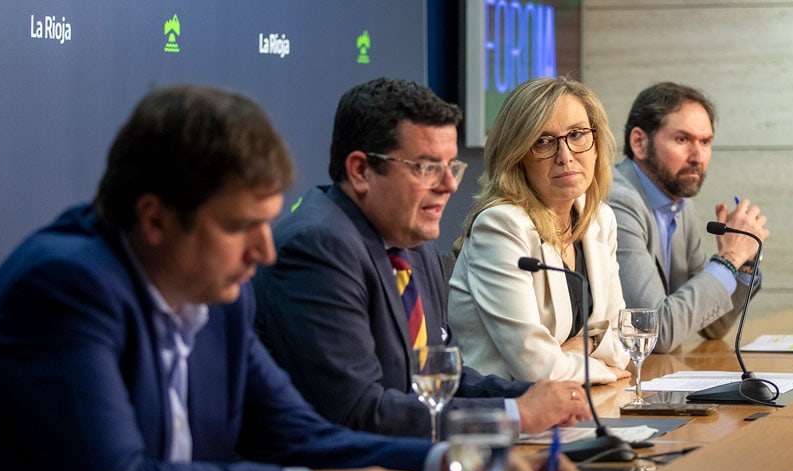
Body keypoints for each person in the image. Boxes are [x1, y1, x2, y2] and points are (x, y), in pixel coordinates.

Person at [0, 85, 582, 471]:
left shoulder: (217, 294)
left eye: (267, 224)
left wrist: (459, 463)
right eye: (239, 227)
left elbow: (297, 432)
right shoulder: (66, 289)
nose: (263, 251)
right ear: (154, 218)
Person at [252, 78, 589, 439]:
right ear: (361, 171)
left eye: (450, 166)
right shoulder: (318, 248)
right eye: (427, 167)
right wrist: (513, 415)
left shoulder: (413, 241)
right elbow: (358, 413)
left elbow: (445, 378)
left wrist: (532, 397)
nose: (449, 185)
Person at [447, 76, 631, 385]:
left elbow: (623, 340)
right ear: (517, 156)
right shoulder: (501, 226)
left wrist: (573, 351)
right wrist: (604, 368)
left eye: (577, 134)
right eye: (543, 142)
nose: (565, 155)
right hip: (505, 415)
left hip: (575, 405)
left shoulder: (599, 218)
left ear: (596, 145)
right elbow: (537, 370)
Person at [608, 82, 770, 352]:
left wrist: (744, 262)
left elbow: (713, 326)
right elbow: (653, 333)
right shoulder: (617, 202)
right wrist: (728, 259)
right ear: (639, 142)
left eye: (705, 142)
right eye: (682, 140)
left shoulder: (679, 204)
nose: (698, 157)